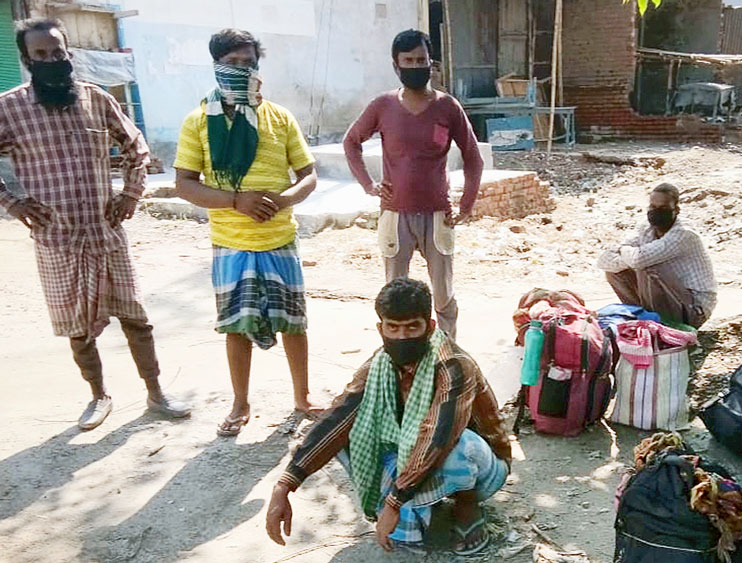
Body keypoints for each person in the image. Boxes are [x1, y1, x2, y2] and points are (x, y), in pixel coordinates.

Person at [0, 18, 190, 430]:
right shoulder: (9, 108)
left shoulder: (96, 99)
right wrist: (13, 204)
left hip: (106, 232)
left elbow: (135, 147)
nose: (53, 60)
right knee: (78, 325)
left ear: (69, 53)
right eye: (42, 55)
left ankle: (156, 393)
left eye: (58, 52)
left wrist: (130, 194)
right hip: (57, 237)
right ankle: (98, 395)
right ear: (28, 59)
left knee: (135, 316)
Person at [265, 278, 511, 555]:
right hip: (417, 460)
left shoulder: (454, 365)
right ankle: (412, 516)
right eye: (393, 328)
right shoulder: (380, 364)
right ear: (381, 328)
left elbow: (437, 436)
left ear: (429, 327)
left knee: (460, 444)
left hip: (484, 467)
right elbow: (337, 418)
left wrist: (394, 503)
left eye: (412, 327)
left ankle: (466, 507)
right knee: (349, 436)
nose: (402, 337)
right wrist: (285, 484)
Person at [173, 29, 322, 436]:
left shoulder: (280, 117)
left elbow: (308, 175)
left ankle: (302, 397)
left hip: (279, 239)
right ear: (218, 65)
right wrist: (237, 200)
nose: (242, 69)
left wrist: (286, 198)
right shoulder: (198, 121)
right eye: (233, 63)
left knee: (293, 322)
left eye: (249, 62)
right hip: (231, 243)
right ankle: (240, 403)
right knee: (236, 327)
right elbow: (185, 184)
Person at [343, 29, 484, 339]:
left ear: (430, 62)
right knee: (395, 294)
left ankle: (446, 351)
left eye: (421, 60)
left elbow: (474, 157)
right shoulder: (383, 106)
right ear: (396, 65)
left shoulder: (448, 107)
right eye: (408, 60)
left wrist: (466, 205)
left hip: (438, 215)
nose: (415, 66)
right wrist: (368, 184)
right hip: (395, 215)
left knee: (444, 295)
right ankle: (398, 352)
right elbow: (351, 142)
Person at [597, 182, 717, 328]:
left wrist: (623, 251)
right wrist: (630, 257)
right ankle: (643, 318)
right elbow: (604, 261)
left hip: (693, 308)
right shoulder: (646, 229)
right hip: (671, 300)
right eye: (653, 207)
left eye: (663, 208)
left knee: (648, 268)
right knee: (614, 272)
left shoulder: (684, 234)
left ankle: (662, 325)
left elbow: (639, 259)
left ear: (676, 210)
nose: (657, 212)